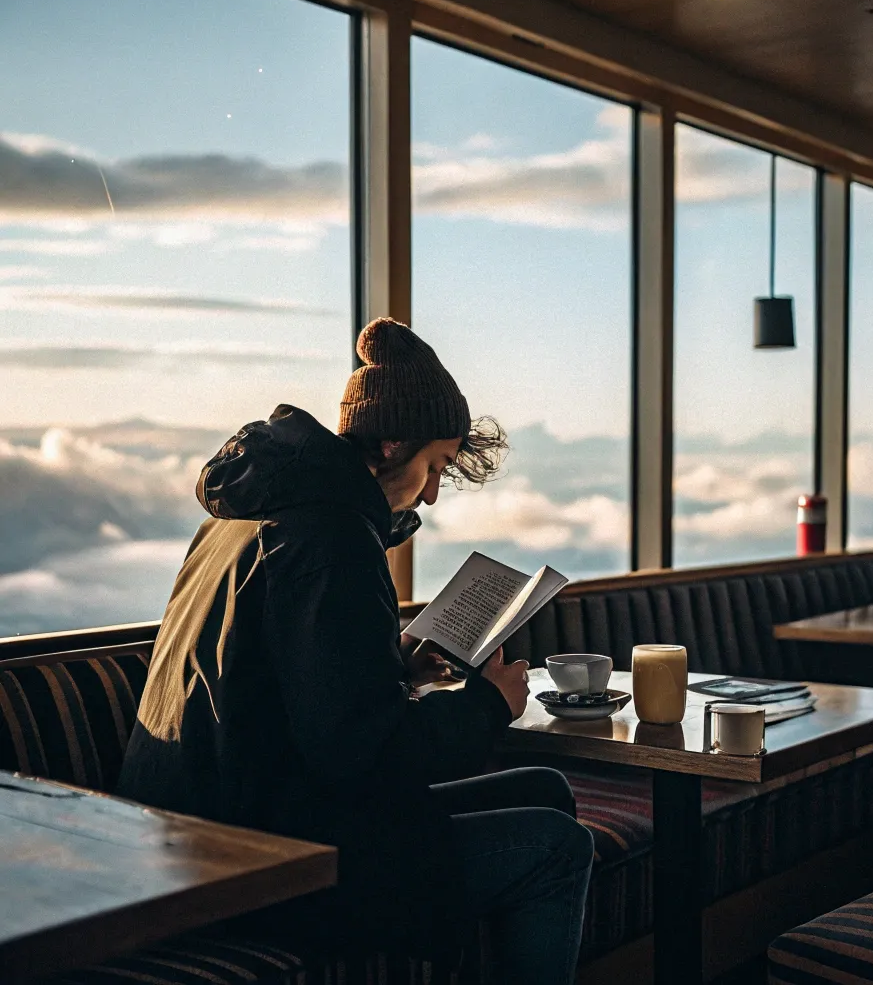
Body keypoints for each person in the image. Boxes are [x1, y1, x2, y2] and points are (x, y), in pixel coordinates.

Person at [116, 318, 594, 984]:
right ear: (392, 444)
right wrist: (489, 704)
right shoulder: (332, 539)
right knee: (556, 847)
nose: (432, 491)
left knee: (546, 788)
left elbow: (284, 677)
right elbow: (358, 755)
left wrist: (390, 661)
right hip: (260, 856)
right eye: (432, 467)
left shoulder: (254, 514)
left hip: (203, 823)